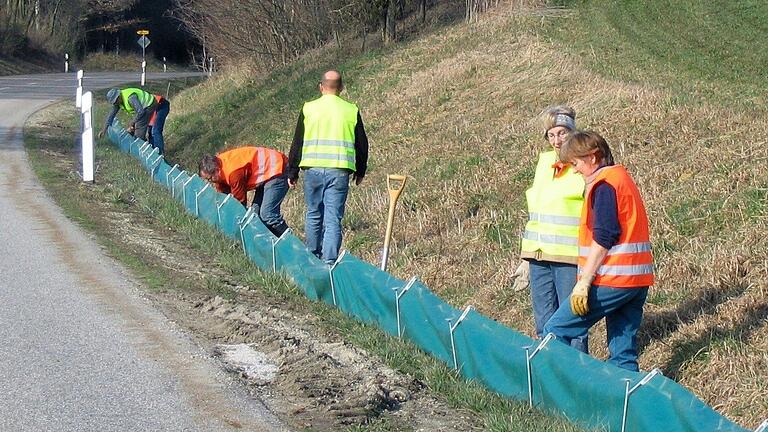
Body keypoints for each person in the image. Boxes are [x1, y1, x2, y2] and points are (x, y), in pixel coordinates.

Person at [543, 131, 653, 371]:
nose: (574, 169)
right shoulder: (621, 178)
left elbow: (604, 237)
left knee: (555, 330)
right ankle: (626, 403)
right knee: (623, 355)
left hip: (613, 280)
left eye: (576, 163)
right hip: (637, 281)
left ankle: (568, 390)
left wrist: (584, 282)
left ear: (592, 157)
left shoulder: (603, 186)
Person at [510, 106, 588, 353]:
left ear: (573, 133)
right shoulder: (544, 163)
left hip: (568, 256)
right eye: (551, 135)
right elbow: (537, 210)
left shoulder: (584, 165)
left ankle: (576, 374)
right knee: (544, 323)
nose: (556, 140)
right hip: (539, 255)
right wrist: (526, 257)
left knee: (572, 321)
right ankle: (550, 374)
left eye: (562, 133)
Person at [286, 70, 369, 264]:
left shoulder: (308, 108)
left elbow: (297, 141)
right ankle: (329, 261)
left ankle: (311, 256)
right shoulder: (350, 110)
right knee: (333, 218)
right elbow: (362, 144)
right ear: (341, 88)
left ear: (321, 86)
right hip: (339, 170)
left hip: (312, 170)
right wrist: (360, 170)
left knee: (314, 213)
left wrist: (292, 171)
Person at [199, 146, 290, 237]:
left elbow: (239, 204)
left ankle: (293, 245)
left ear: (217, 171)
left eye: (209, 179)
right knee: (255, 216)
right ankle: (272, 244)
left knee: (268, 214)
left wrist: (233, 228)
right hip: (267, 173)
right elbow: (223, 199)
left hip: (278, 168)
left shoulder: (234, 173)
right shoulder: (218, 167)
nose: (210, 182)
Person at [98, 87, 162, 152]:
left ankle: (147, 151)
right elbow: (111, 115)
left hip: (149, 104)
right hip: (141, 109)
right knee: (135, 126)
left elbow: (141, 112)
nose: (116, 104)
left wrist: (133, 122)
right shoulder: (118, 102)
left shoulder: (130, 98)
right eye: (114, 103)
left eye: (116, 101)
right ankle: (142, 147)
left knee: (139, 131)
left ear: (118, 96)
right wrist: (104, 130)